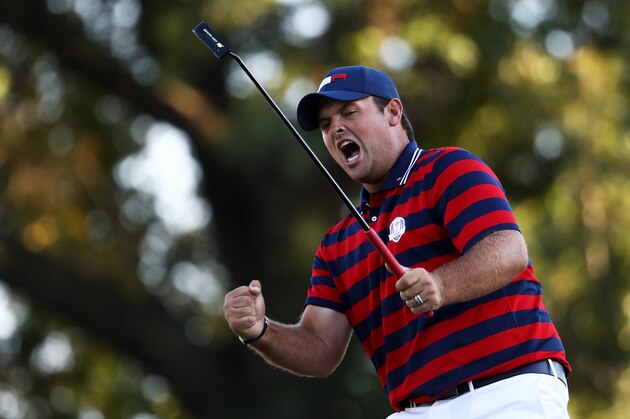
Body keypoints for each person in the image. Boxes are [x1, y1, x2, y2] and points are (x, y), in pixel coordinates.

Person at [223, 65, 571, 418]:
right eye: (326, 124)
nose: (335, 128)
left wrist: (439, 283)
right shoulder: (336, 244)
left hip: (507, 390)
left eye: (349, 112)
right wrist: (259, 331)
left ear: (392, 112)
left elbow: (508, 250)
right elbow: (320, 348)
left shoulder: (448, 169)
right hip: (416, 410)